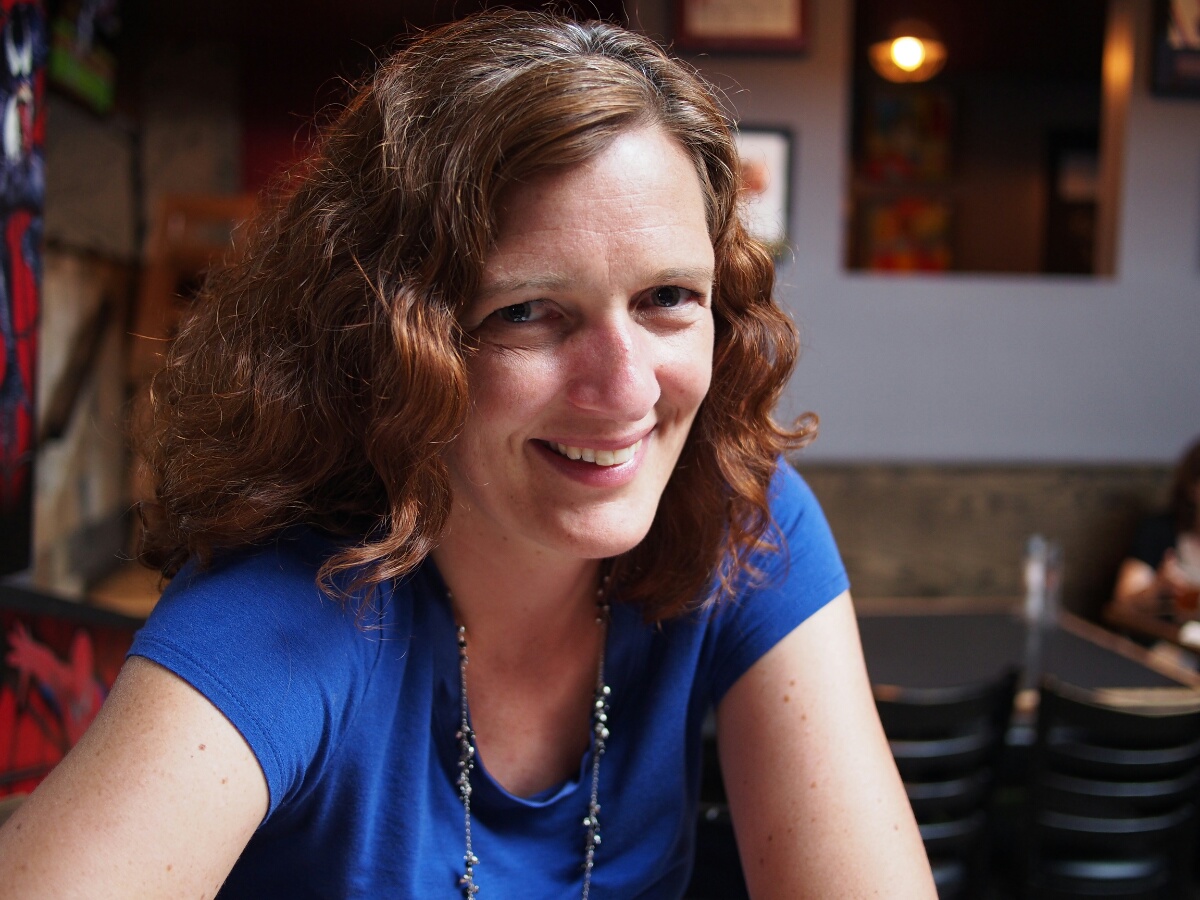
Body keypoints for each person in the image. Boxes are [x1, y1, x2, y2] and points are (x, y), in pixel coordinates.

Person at [0, 11, 934, 898]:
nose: (627, 391)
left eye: (667, 298)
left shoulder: (738, 510)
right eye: (527, 311)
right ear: (387, 341)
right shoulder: (292, 600)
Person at [1108, 437, 1200, 621]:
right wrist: (1158, 588)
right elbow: (1122, 603)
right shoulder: (1160, 531)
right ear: (1192, 486)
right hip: (1171, 636)